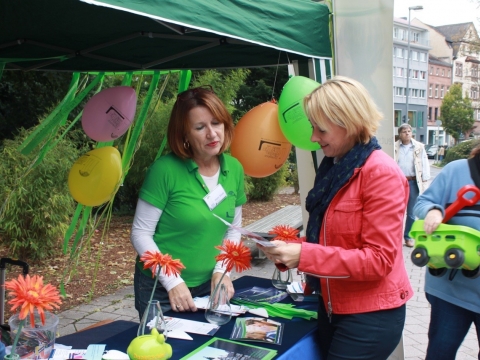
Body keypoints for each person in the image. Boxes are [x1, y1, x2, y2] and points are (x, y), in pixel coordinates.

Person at [259, 76, 413, 360]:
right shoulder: (335, 167)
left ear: (349, 122)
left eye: (321, 129)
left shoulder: (380, 172)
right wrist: (287, 249)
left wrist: (303, 255)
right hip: (333, 306)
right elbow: (334, 238)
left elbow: (379, 260)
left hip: (370, 315)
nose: (313, 138)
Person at [130, 85, 246, 318]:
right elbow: (140, 234)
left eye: (216, 123)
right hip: (161, 288)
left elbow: (233, 230)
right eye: (200, 127)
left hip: (210, 284)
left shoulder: (234, 168)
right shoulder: (165, 170)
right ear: (184, 135)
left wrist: (222, 271)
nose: (212, 134)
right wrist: (172, 282)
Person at [413, 144, 480, 360]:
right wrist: (432, 211)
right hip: (452, 291)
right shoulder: (456, 171)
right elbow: (422, 202)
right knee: (440, 353)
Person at [394, 123, 430, 247]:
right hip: (398, 182)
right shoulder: (395, 147)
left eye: (409, 131)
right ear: (400, 134)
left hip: (413, 182)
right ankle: (395, 237)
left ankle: (408, 237)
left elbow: (424, 163)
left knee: (411, 212)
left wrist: (425, 180)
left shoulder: (419, 147)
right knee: (397, 211)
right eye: (404, 131)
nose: (407, 133)